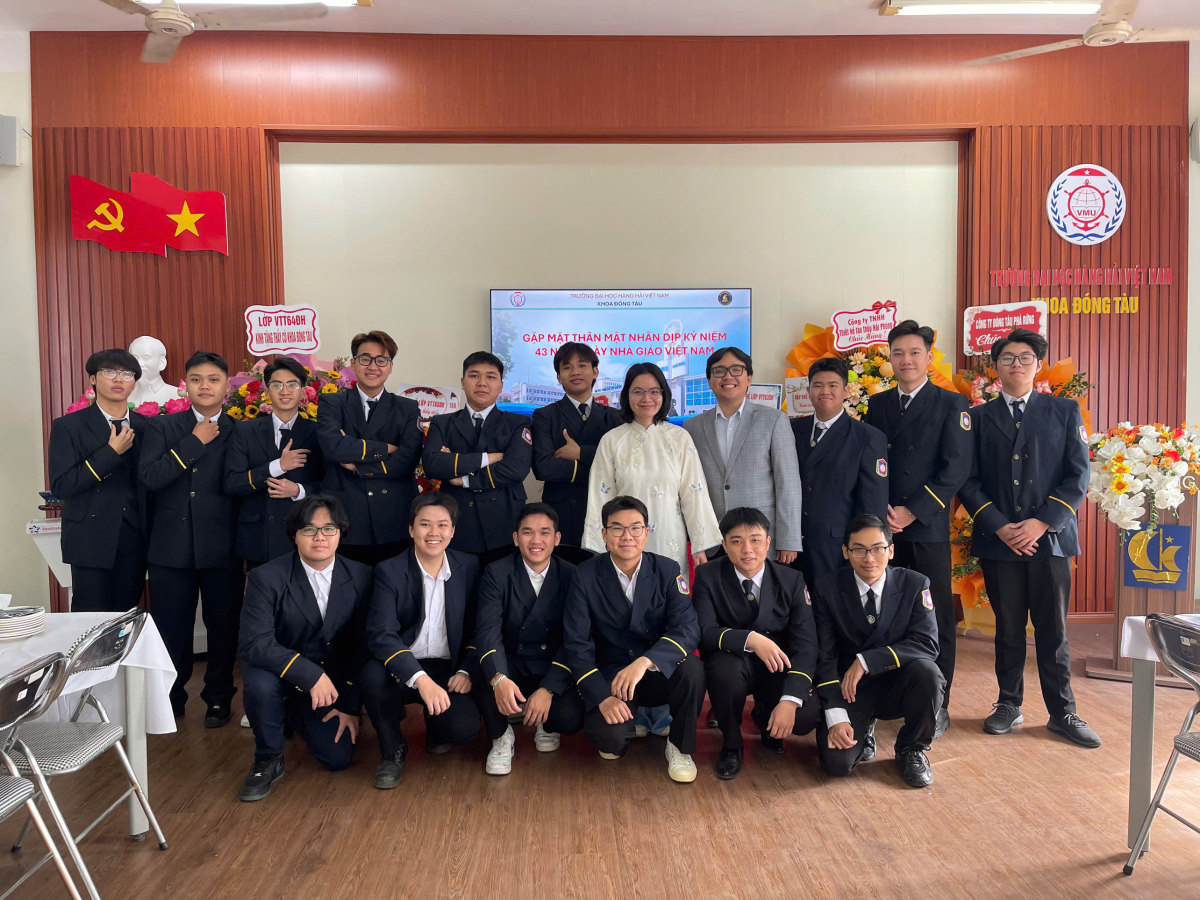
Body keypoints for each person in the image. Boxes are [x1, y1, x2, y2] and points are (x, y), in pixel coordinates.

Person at [958, 328, 1099, 748]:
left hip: (1051, 540)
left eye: (1024, 358)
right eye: (1007, 358)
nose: (1016, 364)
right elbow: (968, 480)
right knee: (1008, 627)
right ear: (995, 367)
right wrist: (1000, 526)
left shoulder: (1064, 411)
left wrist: (1042, 523)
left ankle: (1063, 712)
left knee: (1053, 629)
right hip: (998, 541)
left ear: (1038, 365)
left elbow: (1078, 476)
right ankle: (1008, 703)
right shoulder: (977, 418)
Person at [864, 321, 971, 740]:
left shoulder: (952, 403)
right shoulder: (878, 404)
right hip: (883, 529)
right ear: (889, 359)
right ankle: (884, 695)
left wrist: (914, 511)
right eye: (898, 353)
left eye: (914, 352)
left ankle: (938, 702)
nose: (906, 360)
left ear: (928, 357)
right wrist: (881, 514)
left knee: (935, 613)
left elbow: (955, 469)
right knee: (882, 611)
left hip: (926, 527)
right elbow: (873, 464)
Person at [236, 494, 372, 801]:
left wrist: (350, 705)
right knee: (259, 683)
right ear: (294, 535)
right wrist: (309, 674)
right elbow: (255, 642)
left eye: (329, 528)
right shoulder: (265, 577)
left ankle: (292, 715)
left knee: (337, 759)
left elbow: (364, 644)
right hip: (282, 673)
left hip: (331, 684)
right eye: (309, 529)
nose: (320, 537)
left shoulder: (362, 576)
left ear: (340, 533)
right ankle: (268, 757)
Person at [564, 495, 706, 783]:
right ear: (604, 534)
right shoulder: (585, 575)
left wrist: (645, 661)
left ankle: (679, 746)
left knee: (692, 669)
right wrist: (601, 697)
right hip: (614, 675)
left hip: (656, 671)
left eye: (635, 528)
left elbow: (688, 628)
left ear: (646, 533)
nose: (626, 536)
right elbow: (576, 644)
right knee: (609, 741)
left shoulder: (666, 570)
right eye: (617, 528)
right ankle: (633, 721)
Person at [140, 351, 243, 725]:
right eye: (197, 379)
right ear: (186, 385)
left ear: (226, 386)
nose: (205, 386)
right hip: (171, 548)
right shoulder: (163, 427)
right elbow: (150, 477)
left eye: (214, 379)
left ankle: (218, 698)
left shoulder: (241, 430)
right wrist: (194, 442)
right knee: (172, 630)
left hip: (224, 547)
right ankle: (171, 697)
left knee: (223, 629)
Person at [811, 515, 943, 788]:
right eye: (859, 549)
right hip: (851, 690)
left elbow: (926, 643)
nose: (869, 558)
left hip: (898, 682)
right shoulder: (827, 588)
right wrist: (836, 716)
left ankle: (911, 748)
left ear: (891, 550)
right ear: (845, 551)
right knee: (836, 765)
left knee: (928, 674)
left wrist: (867, 660)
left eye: (878, 548)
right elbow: (824, 656)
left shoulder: (915, 584)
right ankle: (865, 730)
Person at [362, 493, 483, 789]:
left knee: (463, 728)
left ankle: (436, 728)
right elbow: (382, 634)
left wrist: (466, 669)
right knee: (372, 675)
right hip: (403, 666)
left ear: (453, 531)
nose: (433, 533)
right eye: (425, 524)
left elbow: (480, 627)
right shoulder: (389, 570)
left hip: (447, 668)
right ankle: (392, 751)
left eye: (442, 525)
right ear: (411, 529)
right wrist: (420, 678)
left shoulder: (469, 566)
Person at [692, 507, 820, 779]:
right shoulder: (708, 575)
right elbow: (703, 631)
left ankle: (767, 717)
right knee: (723, 670)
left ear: (768, 542)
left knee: (805, 716)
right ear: (724, 544)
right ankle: (732, 743)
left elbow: (806, 644)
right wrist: (750, 639)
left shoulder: (791, 579)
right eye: (736, 541)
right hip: (733, 663)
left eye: (755, 540)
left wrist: (790, 700)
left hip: (777, 667)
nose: (747, 550)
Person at [471, 502, 585, 775]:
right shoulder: (496, 572)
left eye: (545, 532)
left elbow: (575, 638)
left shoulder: (573, 574)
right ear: (515, 538)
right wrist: (499, 678)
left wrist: (549, 689)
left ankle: (546, 723)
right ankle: (501, 735)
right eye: (527, 532)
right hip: (512, 662)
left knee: (569, 718)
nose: (536, 540)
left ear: (557, 538)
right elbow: (487, 631)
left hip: (553, 664)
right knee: (485, 670)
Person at [581, 362, 721, 581]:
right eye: (638, 392)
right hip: (624, 539)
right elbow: (600, 497)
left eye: (654, 391)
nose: (647, 398)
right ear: (627, 395)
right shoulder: (611, 440)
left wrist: (700, 544)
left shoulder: (680, 438)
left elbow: (695, 493)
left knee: (669, 593)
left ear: (664, 394)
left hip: (669, 537)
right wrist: (599, 545)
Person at [49, 348, 150, 612]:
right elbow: (62, 485)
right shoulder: (68, 426)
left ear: (134, 382)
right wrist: (110, 453)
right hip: (90, 537)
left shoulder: (148, 427)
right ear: (93, 378)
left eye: (127, 374)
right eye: (109, 372)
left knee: (126, 616)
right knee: (89, 615)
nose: (118, 379)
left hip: (135, 536)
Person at [683, 347, 803, 564]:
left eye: (736, 370)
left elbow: (788, 483)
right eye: (719, 371)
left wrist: (789, 539)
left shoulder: (774, 420)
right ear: (709, 381)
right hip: (712, 541)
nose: (728, 376)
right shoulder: (693, 427)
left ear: (749, 378)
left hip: (759, 538)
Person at [315, 330, 424, 567]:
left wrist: (358, 466)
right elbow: (334, 448)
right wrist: (387, 448)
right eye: (365, 359)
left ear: (390, 366)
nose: (373, 366)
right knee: (347, 586)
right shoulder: (331, 403)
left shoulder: (407, 408)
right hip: (345, 515)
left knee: (396, 586)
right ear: (353, 363)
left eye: (381, 360)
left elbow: (408, 458)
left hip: (394, 516)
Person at [421, 352, 533, 569]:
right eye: (474, 376)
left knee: (503, 585)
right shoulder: (442, 423)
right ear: (463, 382)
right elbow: (433, 465)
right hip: (458, 523)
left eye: (490, 377)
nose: (482, 383)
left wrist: (464, 478)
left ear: (500, 385)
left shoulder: (517, 423)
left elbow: (516, 468)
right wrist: (488, 458)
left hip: (504, 522)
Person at [791, 357, 889, 586]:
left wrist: (863, 550)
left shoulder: (867, 437)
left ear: (845, 391)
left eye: (832, 385)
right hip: (792, 547)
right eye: (818, 385)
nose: (825, 391)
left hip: (838, 548)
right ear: (808, 390)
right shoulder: (791, 429)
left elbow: (872, 505)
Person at [225, 357, 324, 568]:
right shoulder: (245, 431)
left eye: (292, 384)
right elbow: (232, 483)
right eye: (277, 385)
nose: (284, 391)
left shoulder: (318, 433)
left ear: (303, 391)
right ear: (267, 392)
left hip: (306, 535)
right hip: (259, 538)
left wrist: (298, 490)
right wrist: (278, 466)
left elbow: (330, 485)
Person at [531, 342, 623, 564]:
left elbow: (622, 465)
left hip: (606, 512)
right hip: (562, 514)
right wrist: (600, 467)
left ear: (595, 371)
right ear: (559, 377)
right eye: (567, 367)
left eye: (582, 365)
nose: (575, 372)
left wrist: (581, 453)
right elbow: (544, 467)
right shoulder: (545, 415)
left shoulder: (615, 417)